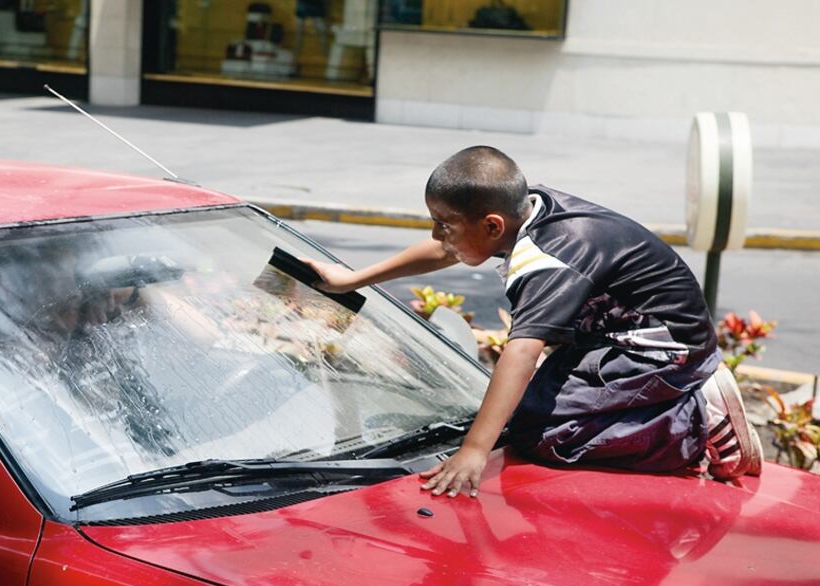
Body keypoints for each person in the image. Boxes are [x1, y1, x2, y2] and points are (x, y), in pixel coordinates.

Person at [305, 145, 762, 498]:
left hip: (659, 349)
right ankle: (675, 404)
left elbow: (522, 352)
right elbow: (445, 250)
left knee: (542, 437)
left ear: (491, 226)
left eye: (443, 223)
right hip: (614, 335)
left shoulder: (546, 257)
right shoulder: (522, 207)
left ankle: (699, 424)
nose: (436, 234)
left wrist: (473, 452)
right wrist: (353, 279)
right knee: (523, 419)